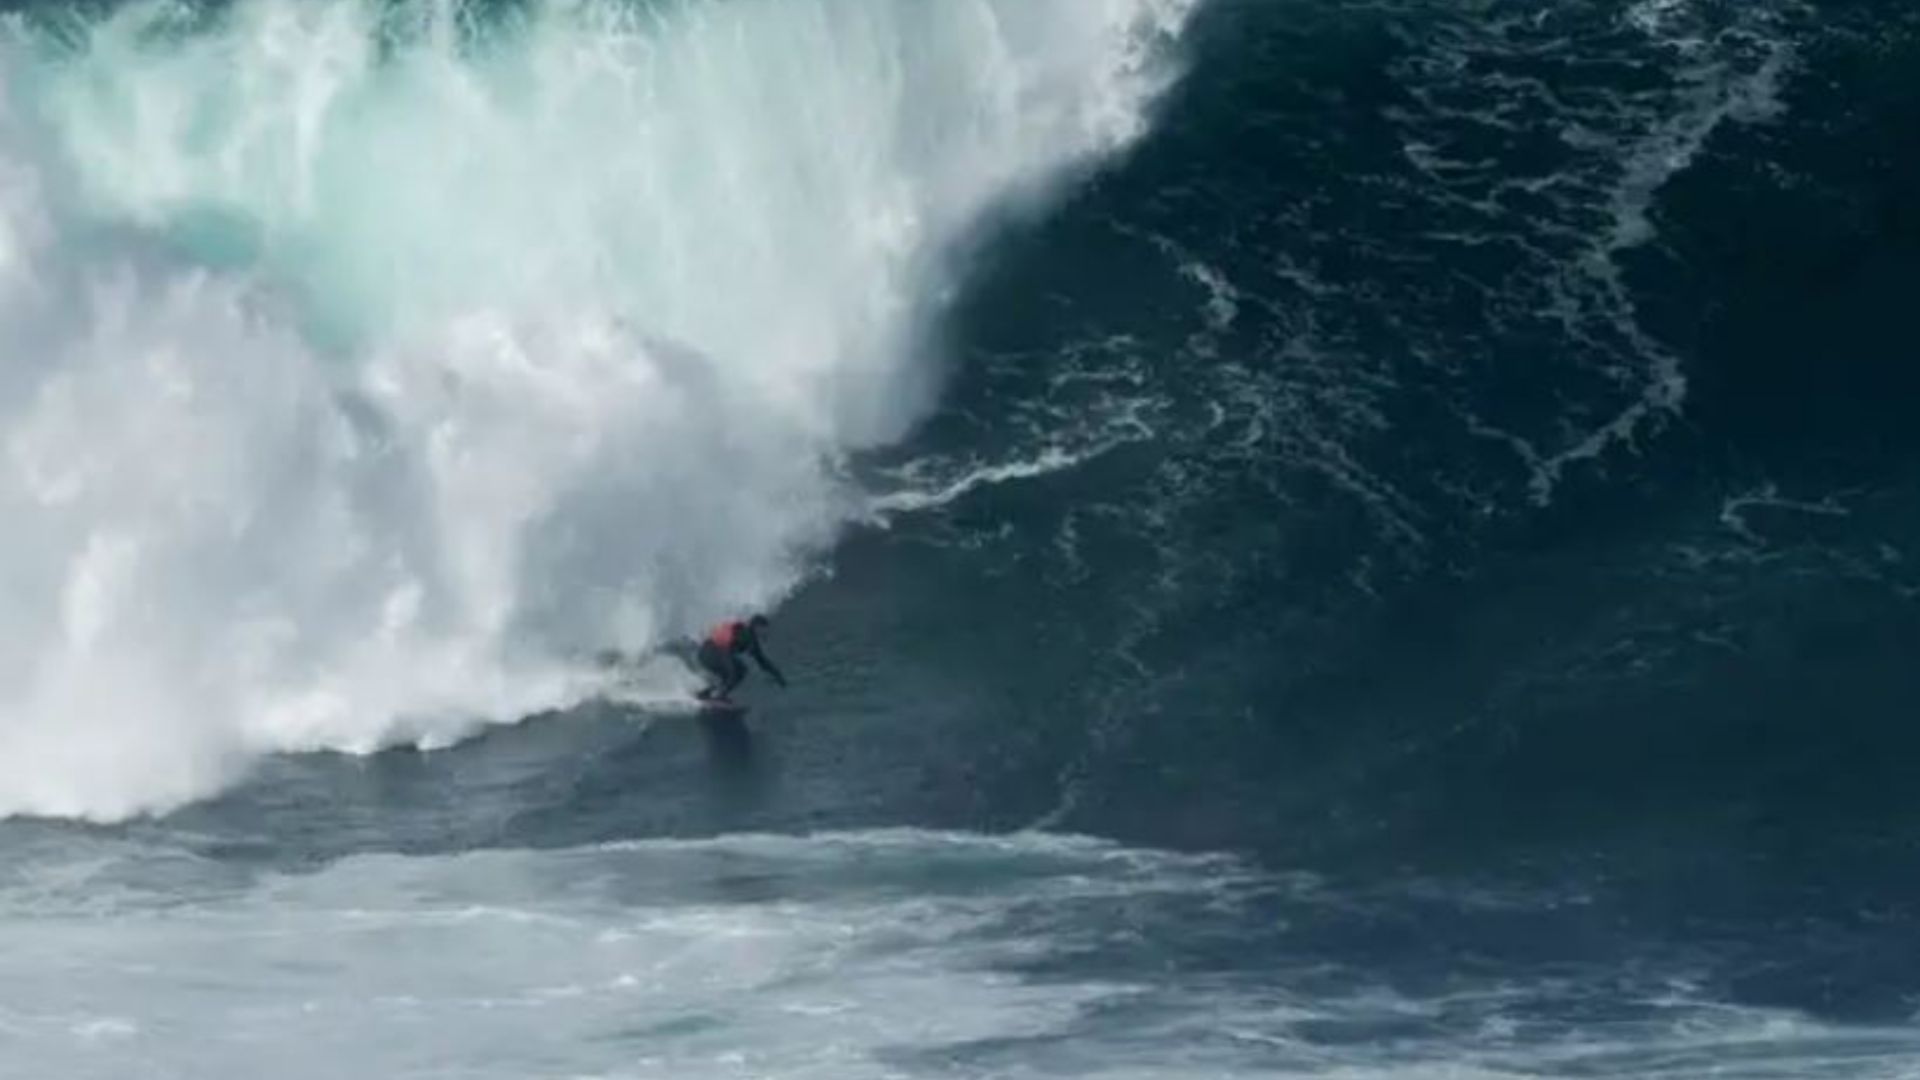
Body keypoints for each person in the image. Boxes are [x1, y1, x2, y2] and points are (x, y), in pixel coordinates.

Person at [694, 614, 788, 702]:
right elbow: (725, 651)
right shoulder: (743, 633)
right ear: (756, 627)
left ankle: (705, 694)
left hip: (711, 654)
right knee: (734, 672)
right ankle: (720, 696)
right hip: (708, 653)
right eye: (763, 629)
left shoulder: (751, 640)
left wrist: (778, 675)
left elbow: (762, 662)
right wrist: (731, 670)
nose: (765, 632)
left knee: (738, 672)